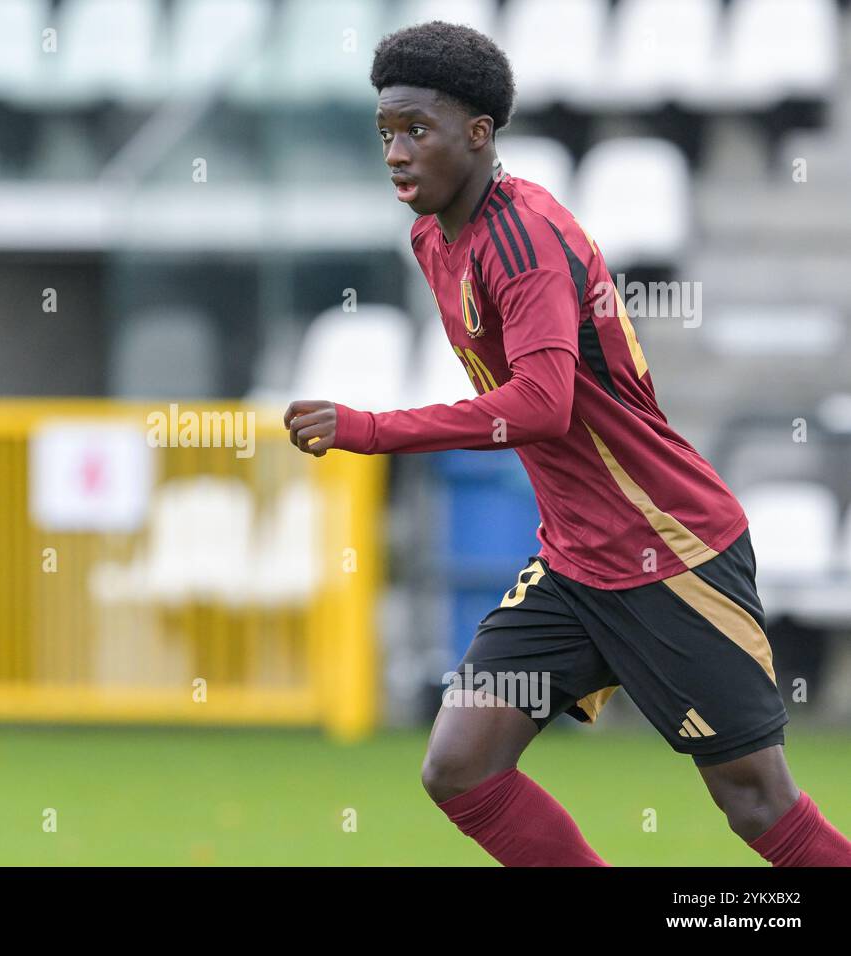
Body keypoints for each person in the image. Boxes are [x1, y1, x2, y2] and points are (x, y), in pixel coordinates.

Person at [284, 20, 851, 867]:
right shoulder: (434, 237)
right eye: (385, 134)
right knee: (460, 767)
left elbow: (543, 407)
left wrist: (371, 429)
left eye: (416, 131)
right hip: (577, 565)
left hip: (670, 555)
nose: (396, 153)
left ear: (479, 134)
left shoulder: (526, 243)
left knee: (755, 804)